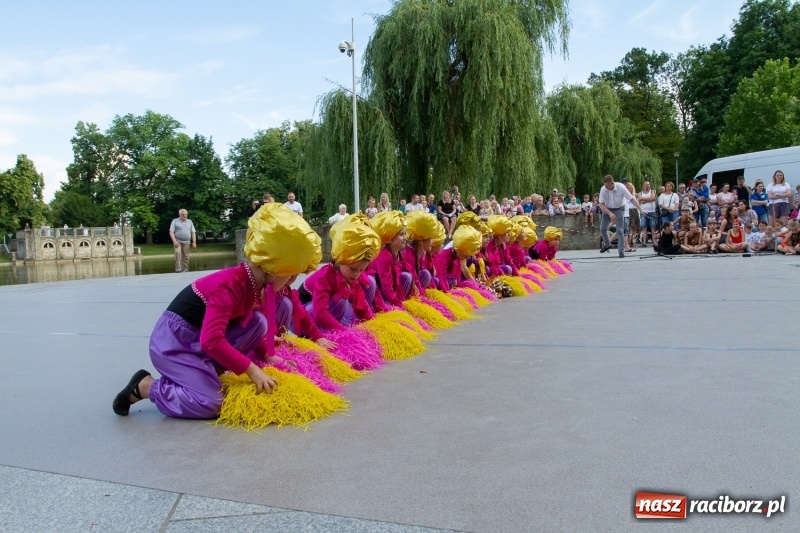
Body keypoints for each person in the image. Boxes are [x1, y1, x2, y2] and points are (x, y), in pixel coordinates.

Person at [112, 204, 322, 419]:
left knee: (259, 322)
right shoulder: (229, 285)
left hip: (197, 338)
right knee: (211, 402)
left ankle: (202, 375)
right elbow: (211, 341)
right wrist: (251, 370)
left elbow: (247, 326)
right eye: (291, 275)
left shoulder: (254, 285)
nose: (292, 282)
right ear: (273, 269)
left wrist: (267, 356)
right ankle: (147, 386)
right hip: (174, 344)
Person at [299, 215, 382, 331]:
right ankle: (323, 335)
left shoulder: (349, 276)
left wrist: (375, 324)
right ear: (340, 260)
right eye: (353, 269)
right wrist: (343, 333)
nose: (356, 274)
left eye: (361, 270)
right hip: (302, 318)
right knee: (341, 302)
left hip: (320, 310)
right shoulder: (325, 277)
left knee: (348, 312)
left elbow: (361, 304)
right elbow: (320, 313)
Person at [368, 210, 412, 306]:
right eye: (401, 234)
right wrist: (398, 304)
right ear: (390, 237)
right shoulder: (383, 256)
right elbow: (386, 285)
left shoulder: (398, 254)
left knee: (407, 276)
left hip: (389, 292)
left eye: (405, 234)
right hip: (378, 294)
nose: (405, 238)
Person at [598, 175, 646, 258]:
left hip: (619, 208)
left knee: (620, 230)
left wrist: (641, 210)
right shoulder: (603, 189)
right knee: (603, 229)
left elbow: (632, 199)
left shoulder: (621, 187)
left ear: (612, 183)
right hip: (607, 208)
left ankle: (621, 251)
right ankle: (607, 244)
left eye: (607, 186)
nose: (605, 187)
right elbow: (601, 204)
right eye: (604, 185)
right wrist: (610, 213)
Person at [169, 209, 196, 273]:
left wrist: (194, 242)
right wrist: (174, 241)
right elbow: (171, 232)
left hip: (187, 241)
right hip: (177, 241)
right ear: (179, 214)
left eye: (185, 214)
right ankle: (178, 269)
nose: (184, 215)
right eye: (183, 214)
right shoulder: (175, 221)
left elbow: (193, 232)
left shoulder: (190, 222)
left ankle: (185, 270)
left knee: (186, 256)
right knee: (177, 253)